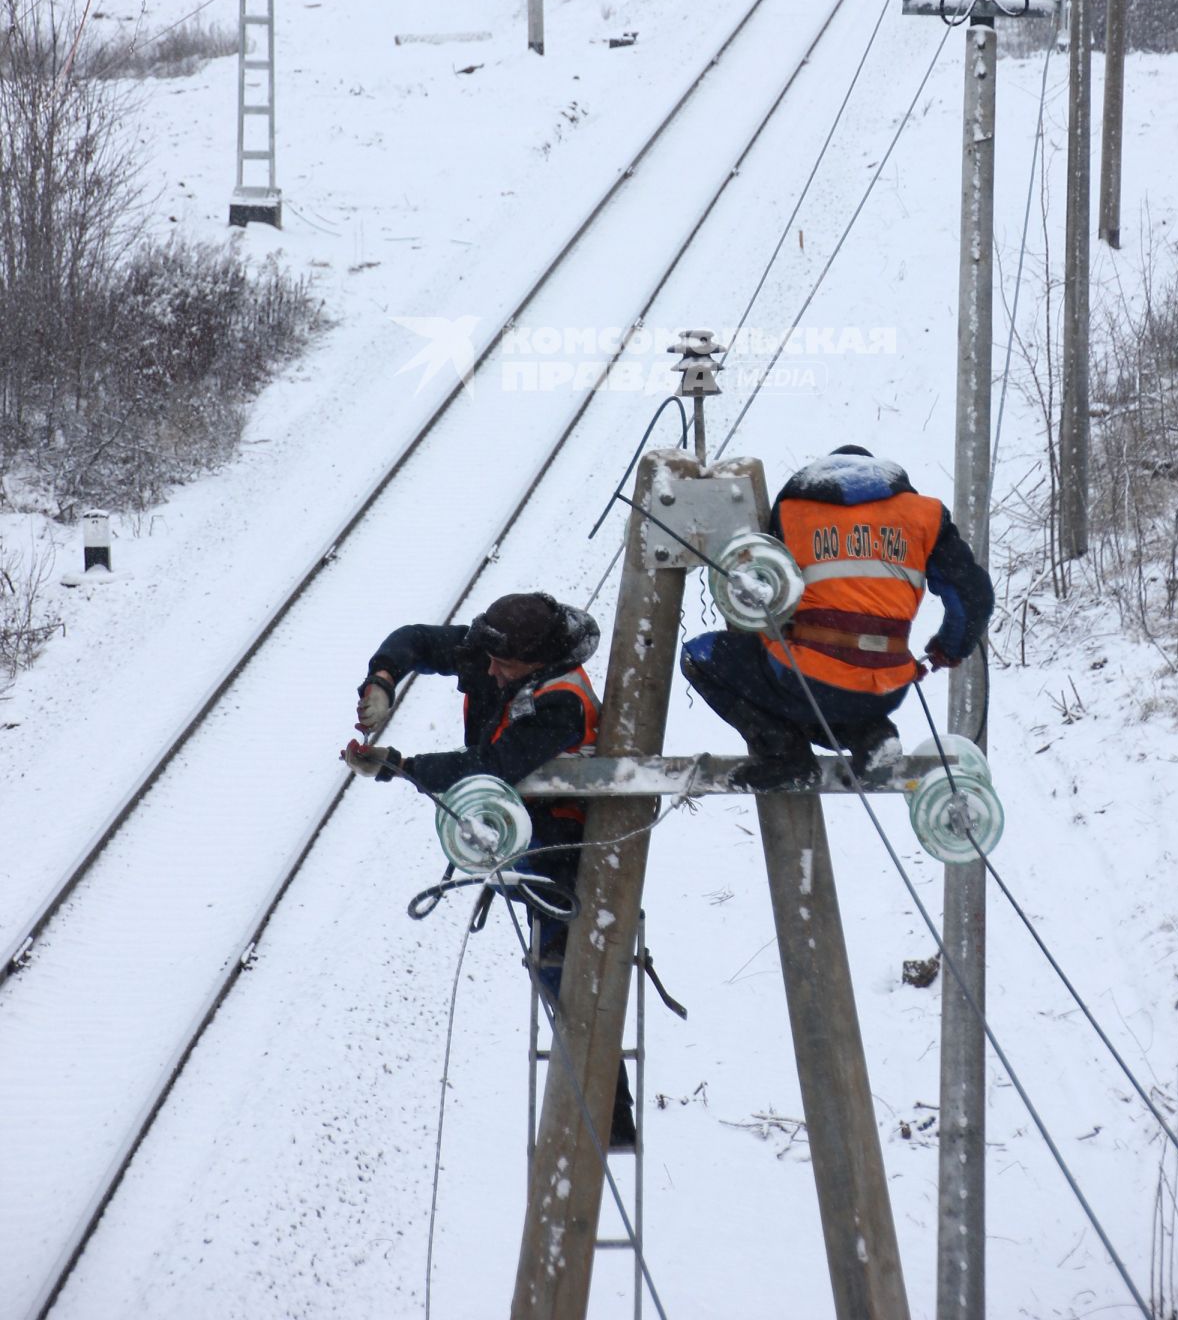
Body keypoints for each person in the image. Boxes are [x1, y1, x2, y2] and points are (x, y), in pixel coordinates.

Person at [343, 589, 637, 1150]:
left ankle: (609, 1110)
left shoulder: (562, 701)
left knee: (565, 970)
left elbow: (490, 766)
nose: (492, 672)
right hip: (519, 825)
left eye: (505, 665)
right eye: (490, 660)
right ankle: (598, 1097)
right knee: (555, 968)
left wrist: (399, 767)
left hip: (562, 840)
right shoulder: (495, 652)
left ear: (538, 659)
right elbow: (418, 639)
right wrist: (383, 679)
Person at [681, 446, 995, 791]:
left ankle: (787, 756)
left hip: (808, 681)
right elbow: (973, 597)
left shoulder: (793, 511)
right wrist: (949, 647)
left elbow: (768, 588)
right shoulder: (926, 516)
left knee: (700, 657)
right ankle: (871, 736)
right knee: (830, 694)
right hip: (887, 689)